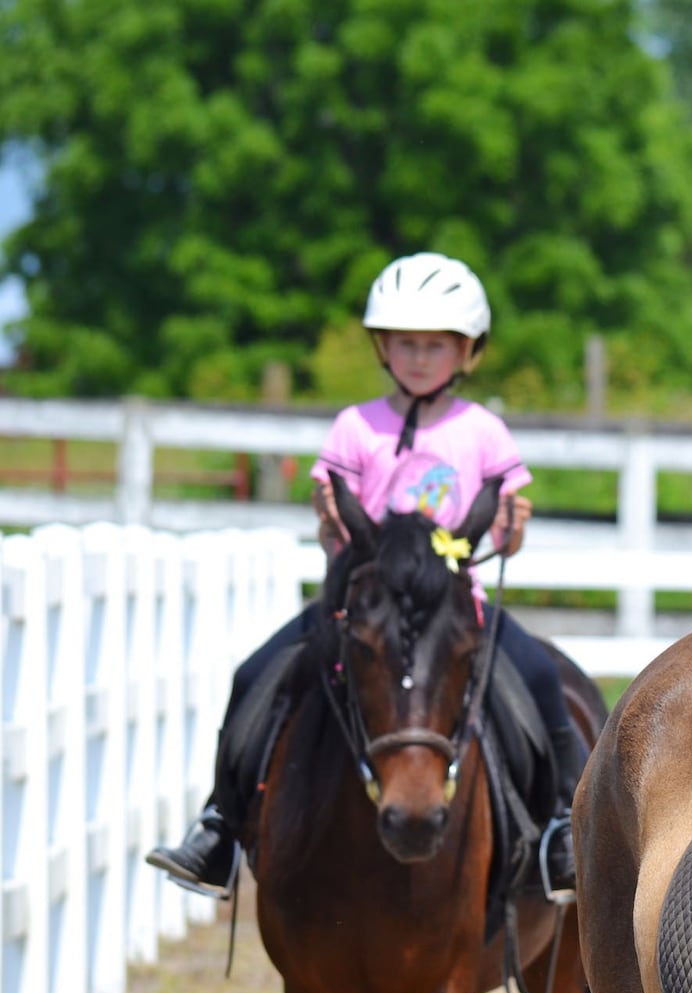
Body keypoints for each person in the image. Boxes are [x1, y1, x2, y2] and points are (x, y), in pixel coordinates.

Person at [146, 252, 589, 900]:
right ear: (383, 347)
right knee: (256, 675)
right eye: (406, 344)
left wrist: (513, 527)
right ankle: (221, 824)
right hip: (363, 610)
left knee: (542, 676)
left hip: (450, 609)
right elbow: (331, 501)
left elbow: (505, 519)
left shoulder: (484, 432)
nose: (419, 358)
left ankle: (562, 829)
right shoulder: (355, 427)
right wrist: (325, 514)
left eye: (436, 346)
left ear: (468, 352)